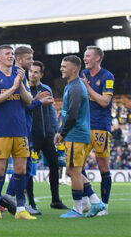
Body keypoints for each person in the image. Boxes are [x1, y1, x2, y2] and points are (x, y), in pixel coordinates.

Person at [0, 44, 36, 220]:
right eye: (7, 53)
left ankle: (21, 208)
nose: (11, 56)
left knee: (20, 169)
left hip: (20, 130)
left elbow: (29, 101)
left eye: (12, 53)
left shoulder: (20, 75)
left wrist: (20, 84)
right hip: (1, 131)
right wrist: (13, 88)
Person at [55, 55, 105, 218]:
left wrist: (61, 133)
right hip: (77, 134)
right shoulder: (72, 86)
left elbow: (73, 115)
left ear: (74, 69)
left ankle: (77, 209)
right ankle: (94, 201)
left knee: (74, 171)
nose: (61, 68)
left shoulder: (76, 87)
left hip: (75, 134)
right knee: (72, 170)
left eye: (64, 66)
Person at [25, 60, 67, 210]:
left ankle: (55, 200)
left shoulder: (46, 89)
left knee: (55, 166)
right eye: (30, 71)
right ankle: (31, 202)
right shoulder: (24, 89)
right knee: (29, 169)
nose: (32, 74)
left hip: (47, 136)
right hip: (32, 136)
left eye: (36, 72)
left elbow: (51, 113)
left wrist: (57, 131)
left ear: (41, 74)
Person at [80, 46, 114, 215]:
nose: (84, 59)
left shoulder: (107, 77)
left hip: (101, 126)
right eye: (84, 56)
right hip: (84, 127)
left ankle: (105, 206)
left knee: (102, 166)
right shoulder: (82, 76)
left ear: (97, 58)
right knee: (77, 165)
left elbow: (104, 102)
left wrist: (87, 88)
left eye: (87, 56)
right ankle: (88, 199)